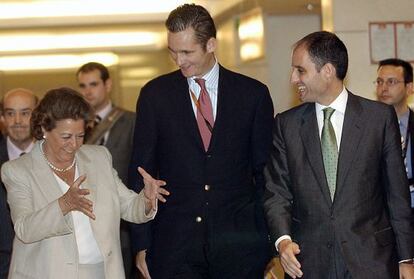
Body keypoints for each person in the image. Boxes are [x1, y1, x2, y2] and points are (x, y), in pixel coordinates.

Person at [128, 3, 274, 279]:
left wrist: (270, 241)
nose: (179, 60)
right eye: (173, 51)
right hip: (175, 247)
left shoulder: (252, 95)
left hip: (240, 247)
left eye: (186, 52)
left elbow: (265, 174)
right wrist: (141, 244)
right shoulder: (155, 95)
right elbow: (140, 173)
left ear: (211, 45)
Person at [264, 31, 414, 279]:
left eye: (300, 70)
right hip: (310, 264)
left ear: (328, 71)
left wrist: (406, 259)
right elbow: (277, 192)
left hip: (372, 261)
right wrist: (283, 241)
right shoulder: (286, 125)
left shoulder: (377, 119)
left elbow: (396, 195)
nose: (293, 79)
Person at [1, 87, 168, 279]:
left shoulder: (99, 157)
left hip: (103, 272)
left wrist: (146, 199)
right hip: (46, 272)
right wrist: (63, 204)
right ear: (44, 129)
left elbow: (128, 206)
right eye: (66, 137)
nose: (74, 144)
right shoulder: (18, 170)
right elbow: (24, 229)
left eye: (80, 135)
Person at [76, 62, 136, 278]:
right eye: (82, 86)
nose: (87, 91)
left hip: (120, 221)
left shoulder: (130, 121)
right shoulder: (74, 126)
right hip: (83, 218)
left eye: (93, 84)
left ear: (108, 84)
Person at [0, 88, 37, 279]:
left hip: (47, 265)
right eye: (10, 113)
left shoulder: (57, 156)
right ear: (2, 117)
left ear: (37, 115)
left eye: (25, 113)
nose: (17, 121)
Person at [375, 58, 414, 208]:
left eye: (391, 82)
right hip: (382, 211)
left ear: (409, 87)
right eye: (379, 82)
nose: (383, 88)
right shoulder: (367, 128)